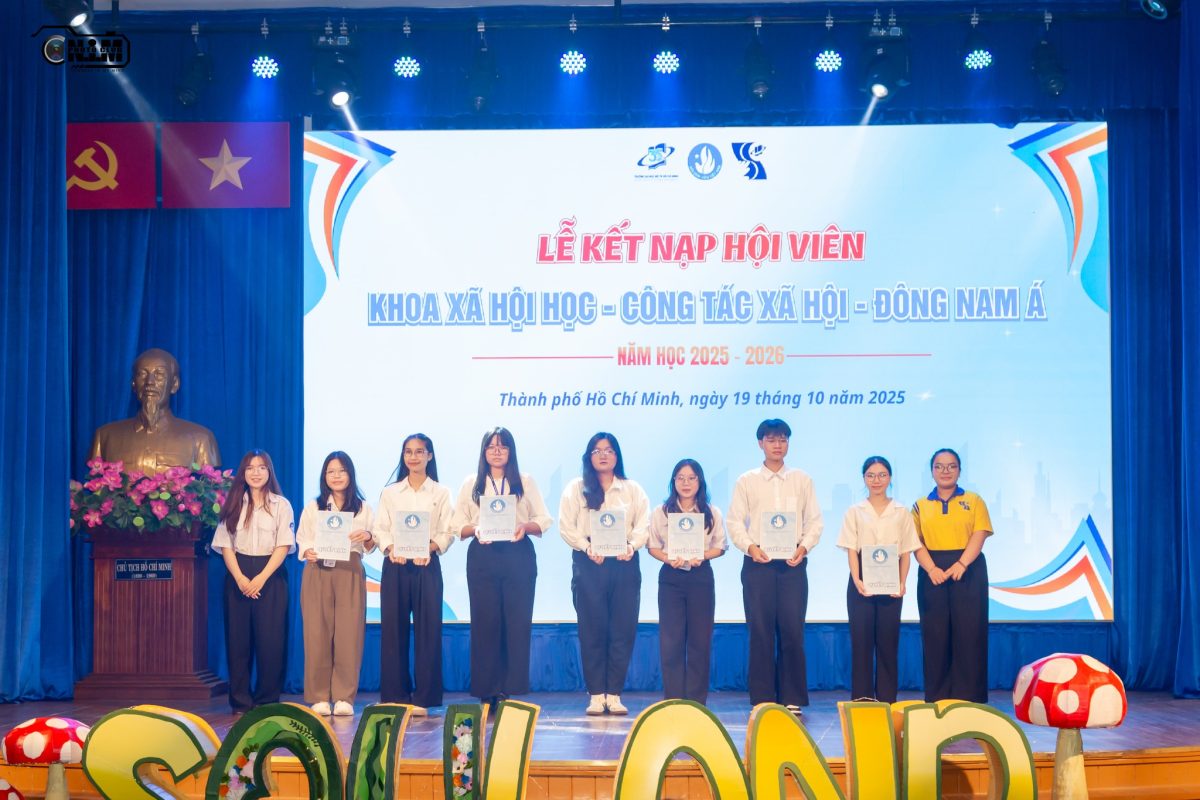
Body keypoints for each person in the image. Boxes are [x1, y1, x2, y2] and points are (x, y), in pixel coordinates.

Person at [451, 427, 553, 707]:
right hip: (483, 555)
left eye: (503, 446)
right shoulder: (472, 483)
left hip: (517, 555)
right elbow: (456, 525)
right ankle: (487, 690)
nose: (497, 451)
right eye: (491, 446)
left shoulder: (525, 481)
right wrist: (475, 529)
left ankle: (509, 688)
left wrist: (524, 526)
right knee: (485, 622)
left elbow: (544, 519)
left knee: (516, 622)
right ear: (484, 451)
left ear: (511, 451)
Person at [727, 419, 823, 714]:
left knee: (792, 630)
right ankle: (763, 698)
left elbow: (815, 521)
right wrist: (750, 547)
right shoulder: (747, 481)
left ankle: (792, 696)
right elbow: (734, 522)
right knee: (760, 631)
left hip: (793, 564)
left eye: (782, 439)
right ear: (760, 444)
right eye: (771, 440)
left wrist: (804, 547)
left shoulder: (802, 480)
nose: (777, 445)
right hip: (758, 564)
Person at [559, 432, 650, 716]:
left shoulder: (632, 489)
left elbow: (643, 524)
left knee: (622, 628)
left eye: (609, 450)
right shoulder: (576, 488)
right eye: (597, 450)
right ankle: (597, 694)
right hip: (589, 562)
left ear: (617, 456)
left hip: (624, 562)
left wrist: (632, 546)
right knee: (592, 629)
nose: (603, 455)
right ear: (589, 456)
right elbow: (566, 526)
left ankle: (615, 694)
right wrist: (586, 547)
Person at [372, 433, 453, 716]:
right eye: (408, 451)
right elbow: (380, 529)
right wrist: (390, 547)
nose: (413, 457)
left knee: (428, 631)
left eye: (420, 451)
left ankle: (425, 697)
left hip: (426, 565)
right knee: (393, 631)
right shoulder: (390, 492)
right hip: (395, 565)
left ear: (429, 456)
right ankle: (395, 695)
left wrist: (429, 548)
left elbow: (447, 531)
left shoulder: (441, 493)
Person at [211, 449, 295, 711]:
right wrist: (240, 578)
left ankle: (267, 699)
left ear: (269, 471)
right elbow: (225, 545)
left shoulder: (281, 505)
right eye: (250, 468)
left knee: (271, 641)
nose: (255, 472)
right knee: (238, 641)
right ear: (243, 473)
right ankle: (240, 701)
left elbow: (284, 545)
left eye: (261, 467)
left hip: (270, 573)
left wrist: (260, 578)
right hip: (238, 573)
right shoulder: (233, 503)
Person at [296, 451, 375, 717]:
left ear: (350, 474)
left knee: (349, 634)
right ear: (324, 476)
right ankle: (319, 696)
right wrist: (307, 550)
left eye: (342, 471)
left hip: (349, 569)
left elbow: (372, 543)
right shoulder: (314, 506)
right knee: (316, 633)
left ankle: (344, 697)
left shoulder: (362, 507)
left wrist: (367, 535)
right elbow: (303, 538)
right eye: (331, 471)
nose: (337, 476)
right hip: (318, 569)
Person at [912, 448, 994, 703]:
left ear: (959, 470)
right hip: (932, 572)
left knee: (970, 633)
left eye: (951, 466)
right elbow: (914, 542)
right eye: (939, 466)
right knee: (935, 635)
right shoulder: (920, 505)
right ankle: (938, 698)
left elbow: (980, 534)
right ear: (932, 471)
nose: (945, 471)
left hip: (968, 571)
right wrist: (931, 569)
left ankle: (970, 698)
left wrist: (962, 563)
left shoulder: (974, 500)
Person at [836, 456, 919, 703]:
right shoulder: (854, 511)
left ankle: (887, 698)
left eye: (882, 475)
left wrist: (902, 582)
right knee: (861, 642)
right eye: (871, 475)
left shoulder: (901, 512)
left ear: (890, 478)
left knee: (888, 642)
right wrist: (857, 579)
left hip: (892, 578)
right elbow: (851, 549)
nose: (876, 480)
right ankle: (862, 698)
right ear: (864, 478)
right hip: (861, 578)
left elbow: (906, 551)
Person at [646, 459, 727, 704]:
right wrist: (668, 558)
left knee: (700, 641)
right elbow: (652, 546)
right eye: (680, 478)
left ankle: (696, 701)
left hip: (701, 577)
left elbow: (720, 546)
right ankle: (673, 700)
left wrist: (702, 555)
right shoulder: (661, 512)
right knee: (671, 641)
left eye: (692, 478)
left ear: (700, 481)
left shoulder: (711, 512)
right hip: (671, 578)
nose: (686, 483)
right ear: (673, 481)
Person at [89, 348, 221, 474]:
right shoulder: (105, 437)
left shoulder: (201, 440)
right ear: (133, 384)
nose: (150, 382)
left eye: (159, 375)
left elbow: (209, 485)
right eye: (142, 374)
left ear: (174, 384)